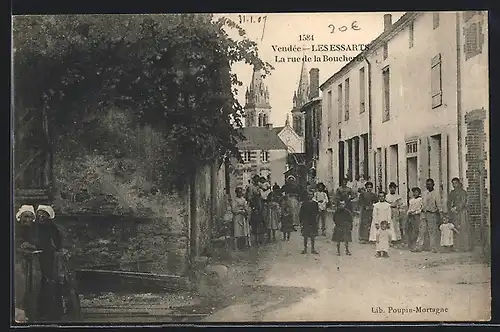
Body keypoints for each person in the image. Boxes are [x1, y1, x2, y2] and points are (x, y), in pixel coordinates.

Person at [35, 205, 64, 321]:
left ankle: (51, 311)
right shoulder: (34, 227)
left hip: (48, 257)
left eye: (44, 216)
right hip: (36, 256)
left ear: (48, 217)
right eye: (39, 215)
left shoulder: (52, 228)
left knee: (49, 282)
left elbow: (57, 244)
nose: (41, 218)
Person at [15, 205, 41, 322]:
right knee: (19, 288)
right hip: (17, 262)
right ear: (20, 217)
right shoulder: (14, 229)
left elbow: (41, 244)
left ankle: (32, 315)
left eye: (30, 217)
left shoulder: (36, 230)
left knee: (33, 288)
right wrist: (20, 249)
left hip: (33, 263)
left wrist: (33, 247)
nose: (28, 220)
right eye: (25, 217)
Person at [415, 178, 442, 253]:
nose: (428, 186)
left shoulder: (436, 193)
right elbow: (422, 203)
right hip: (424, 213)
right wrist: (421, 210)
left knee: (432, 231)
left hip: (432, 213)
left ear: (433, 185)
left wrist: (440, 213)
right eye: (427, 184)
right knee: (421, 230)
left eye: (430, 184)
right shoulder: (424, 193)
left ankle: (433, 247)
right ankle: (419, 246)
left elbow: (439, 204)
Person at [447, 178, 472, 252]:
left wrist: (457, 208)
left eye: (456, 183)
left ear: (459, 183)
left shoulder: (463, 192)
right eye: (453, 183)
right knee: (455, 229)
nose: (454, 185)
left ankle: (465, 246)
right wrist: (450, 208)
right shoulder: (452, 193)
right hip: (454, 213)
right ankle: (457, 246)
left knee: (464, 228)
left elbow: (463, 202)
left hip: (462, 213)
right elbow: (449, 202)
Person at [247, 175, 265, 246]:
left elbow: (263, 195)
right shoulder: (251, 187)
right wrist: (253, 206)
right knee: (254, 222)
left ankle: (260, 239)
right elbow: (249, 197)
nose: (257, 181)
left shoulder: (260, 186)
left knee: (261, 222)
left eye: (258, 180)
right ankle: (254, 240)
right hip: (254, 204)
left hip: (260, 204)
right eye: (256, 180)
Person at [407, 187, 423, 251]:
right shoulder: (411, 200)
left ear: (419, 193)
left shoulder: (420, 199)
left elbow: (420, 208)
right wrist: (408, 213)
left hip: (417, 216)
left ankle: (416, 245)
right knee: (410, 229)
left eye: (416, 192)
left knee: (416, 230)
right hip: (411, 216)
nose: (415, 193)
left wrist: (415, 212)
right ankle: (411, 244)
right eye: (414, 192)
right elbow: (410, 208)